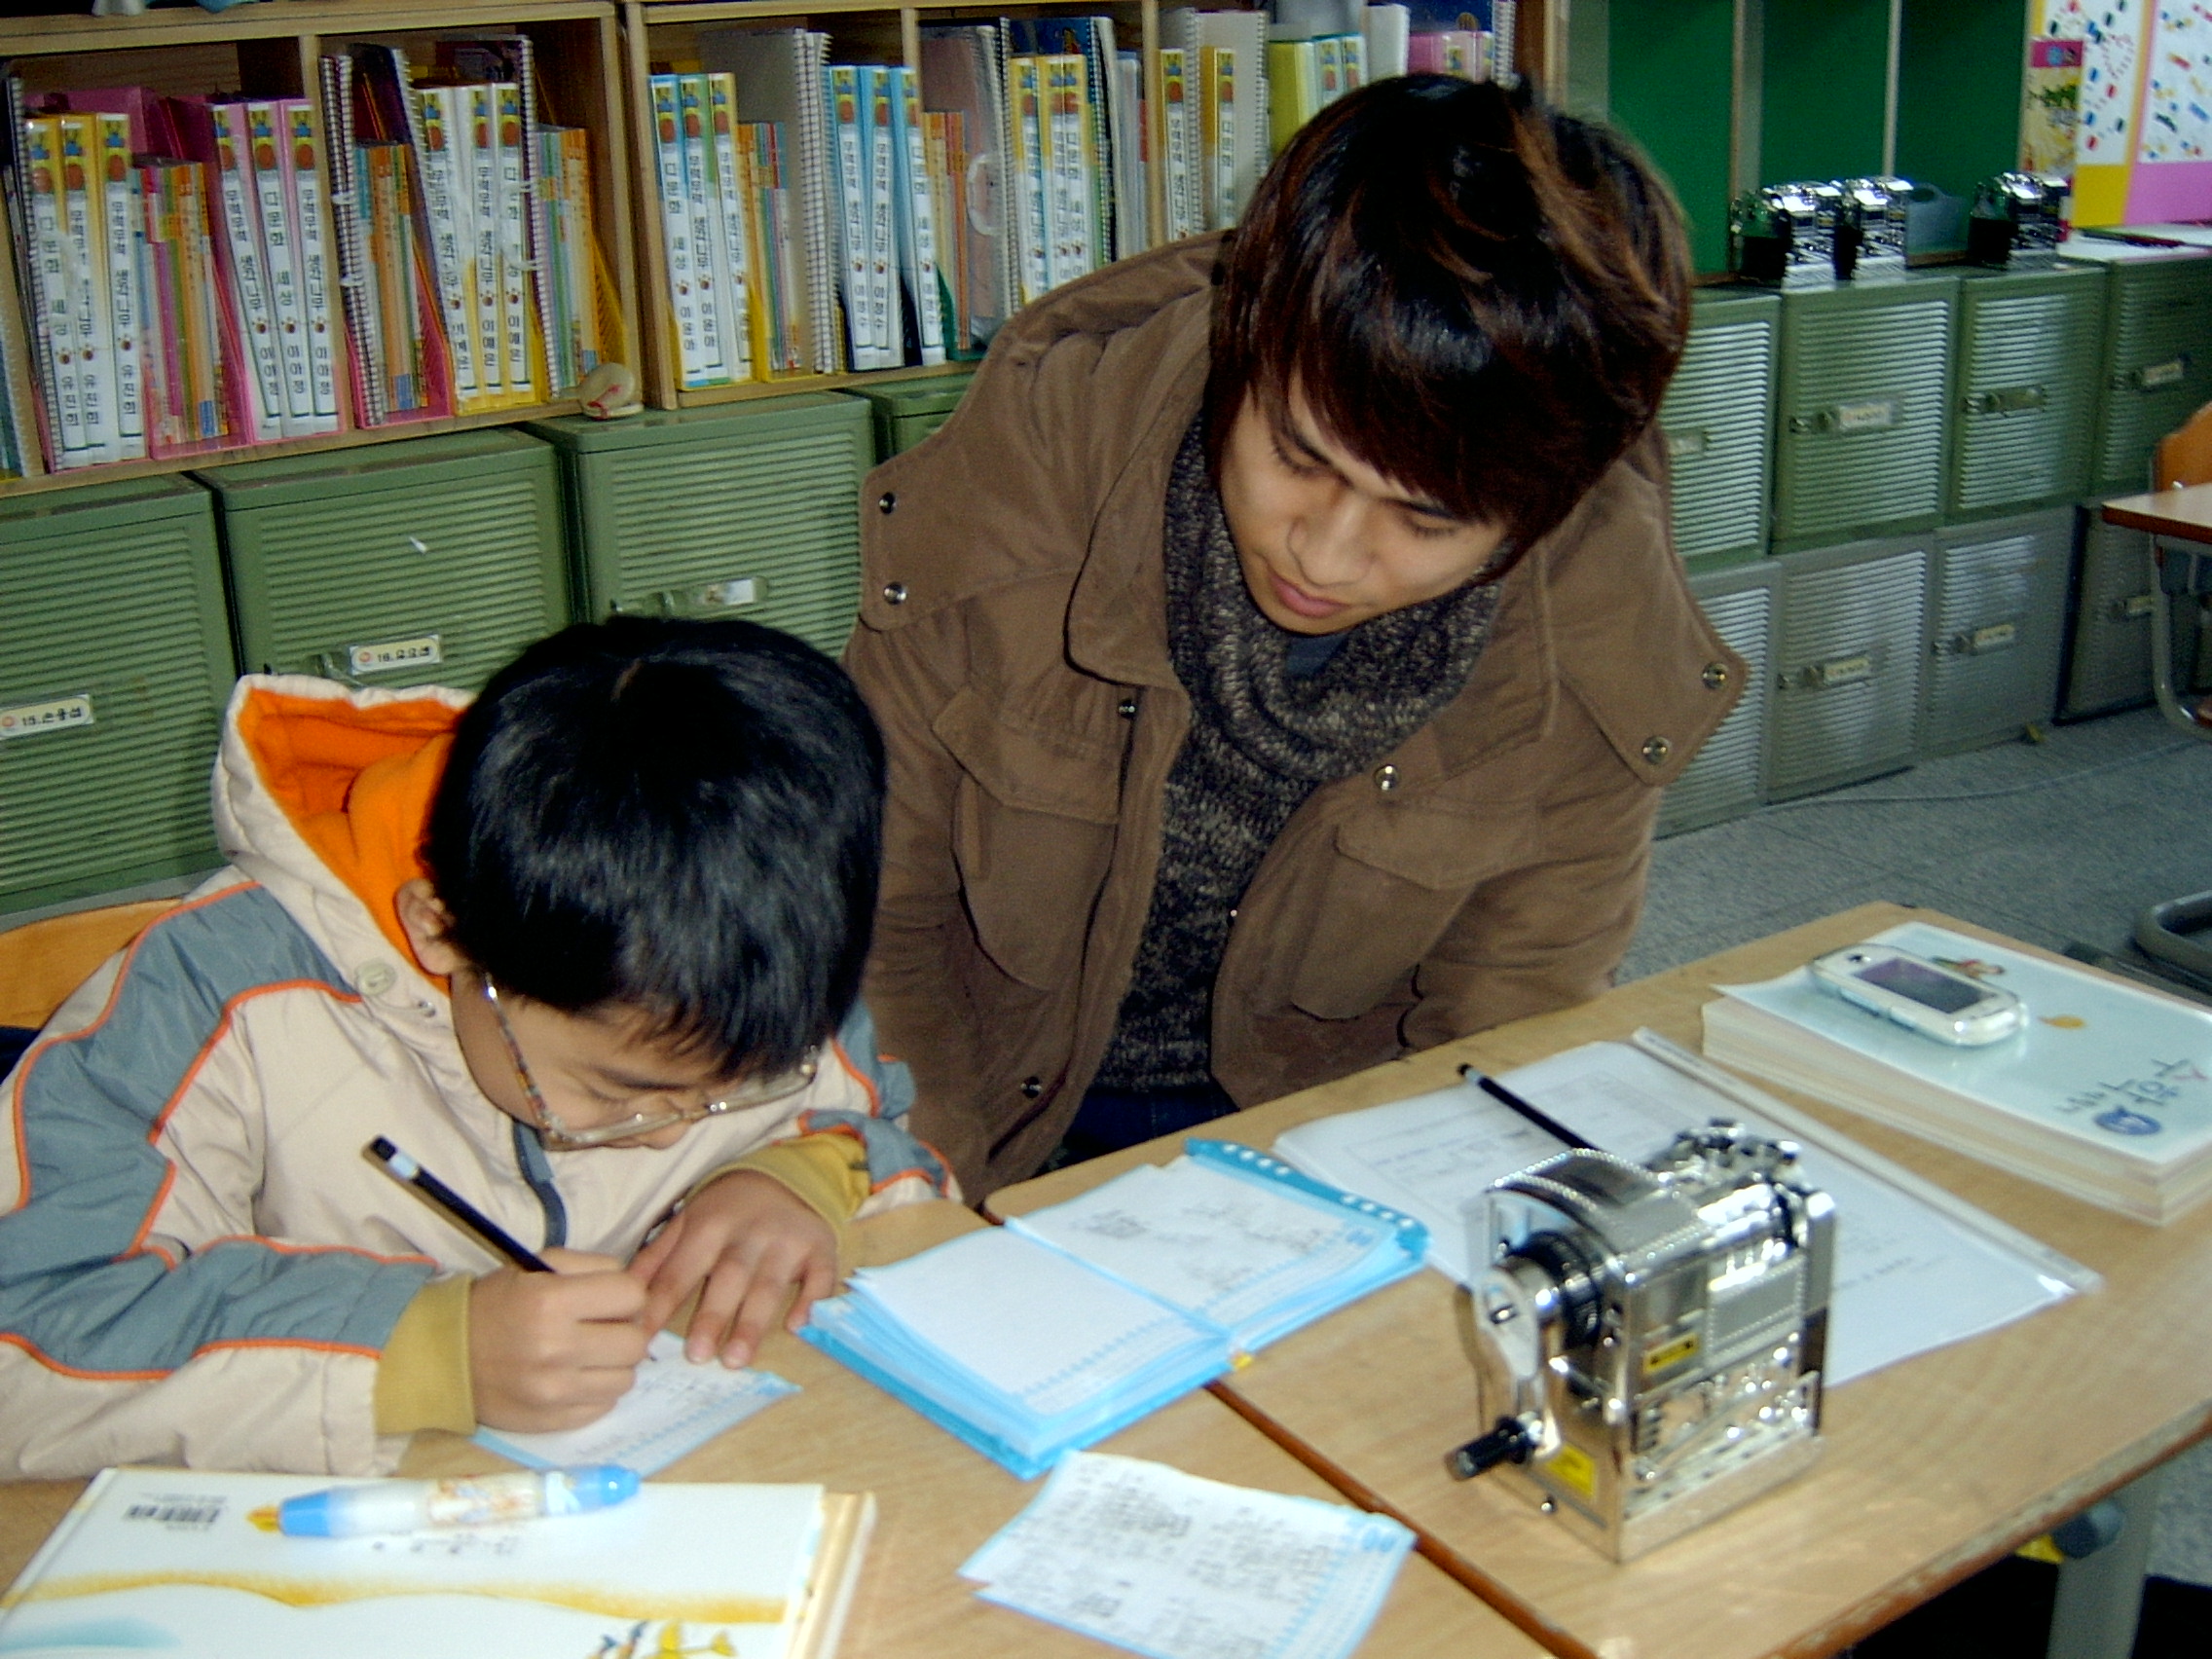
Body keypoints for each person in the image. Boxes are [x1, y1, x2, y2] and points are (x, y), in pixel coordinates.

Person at [847, 75, 1746, 1199]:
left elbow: (1508, 1032)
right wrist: (930, 1197)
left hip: (1330, 1145)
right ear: (1246, 336)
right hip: (987, 1114)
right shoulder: (1015, 491)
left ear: (1547, 506)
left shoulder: (1604, 654)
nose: (1322, 556)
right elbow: (884, 926)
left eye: (1425, 518)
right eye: (1299, 456)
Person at [0, 618, 950, 1478]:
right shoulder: (217, 993)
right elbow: (26, 1340)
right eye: (617, 1091)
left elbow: (878, 1127)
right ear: (441, 934)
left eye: (728, 1092)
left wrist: (815, 1174)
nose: (668, 1139)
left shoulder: (753, 940)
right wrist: (420, 1353)